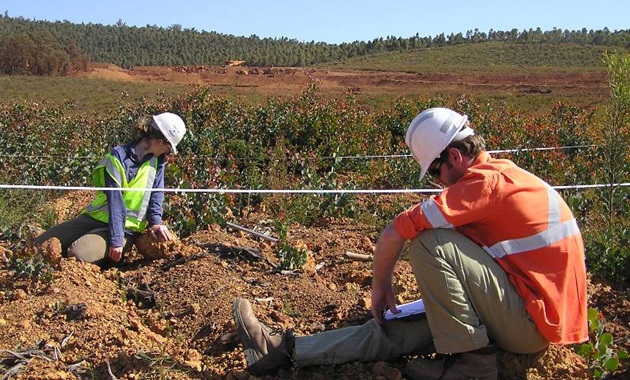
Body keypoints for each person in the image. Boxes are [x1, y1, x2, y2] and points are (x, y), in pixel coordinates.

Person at [232, 107, 588, 380]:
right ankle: (282, 349)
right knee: (390, 330)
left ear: (454, 157)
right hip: (522, 311)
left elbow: (396, 231)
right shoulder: (501, 180)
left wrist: (381, 285)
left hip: (531, 323)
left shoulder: (485, 184)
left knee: (430, 242)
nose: (437, 183)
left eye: (435, 171)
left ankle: (472, 365)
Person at [35, 112, 187, 265]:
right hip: (95, 219)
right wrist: (115, 241)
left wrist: (155, 222)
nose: (168, 151)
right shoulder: (118, 157)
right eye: (169, 147)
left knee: (76, 255)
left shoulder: (157, 162)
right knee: (39, 245)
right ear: (160, 141)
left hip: (127, 230)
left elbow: (156, 195)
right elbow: (116, 201)